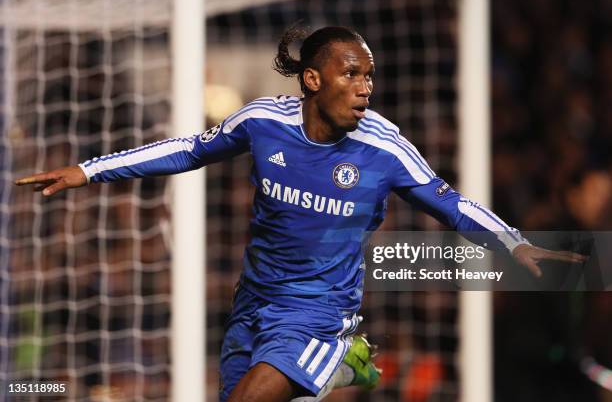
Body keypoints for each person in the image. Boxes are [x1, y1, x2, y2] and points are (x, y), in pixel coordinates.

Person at [15, 25, 585, 402]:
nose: (365, 88)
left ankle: (338, 353)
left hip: (317, 315)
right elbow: (188, 149)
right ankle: (341, 367)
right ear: (313, 80)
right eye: (351, 74)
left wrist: (515, 243)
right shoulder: (263, 123)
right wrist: (89, 171)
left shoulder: (384, 148)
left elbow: (451, 204)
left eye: (369, 76)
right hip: (252, 306)